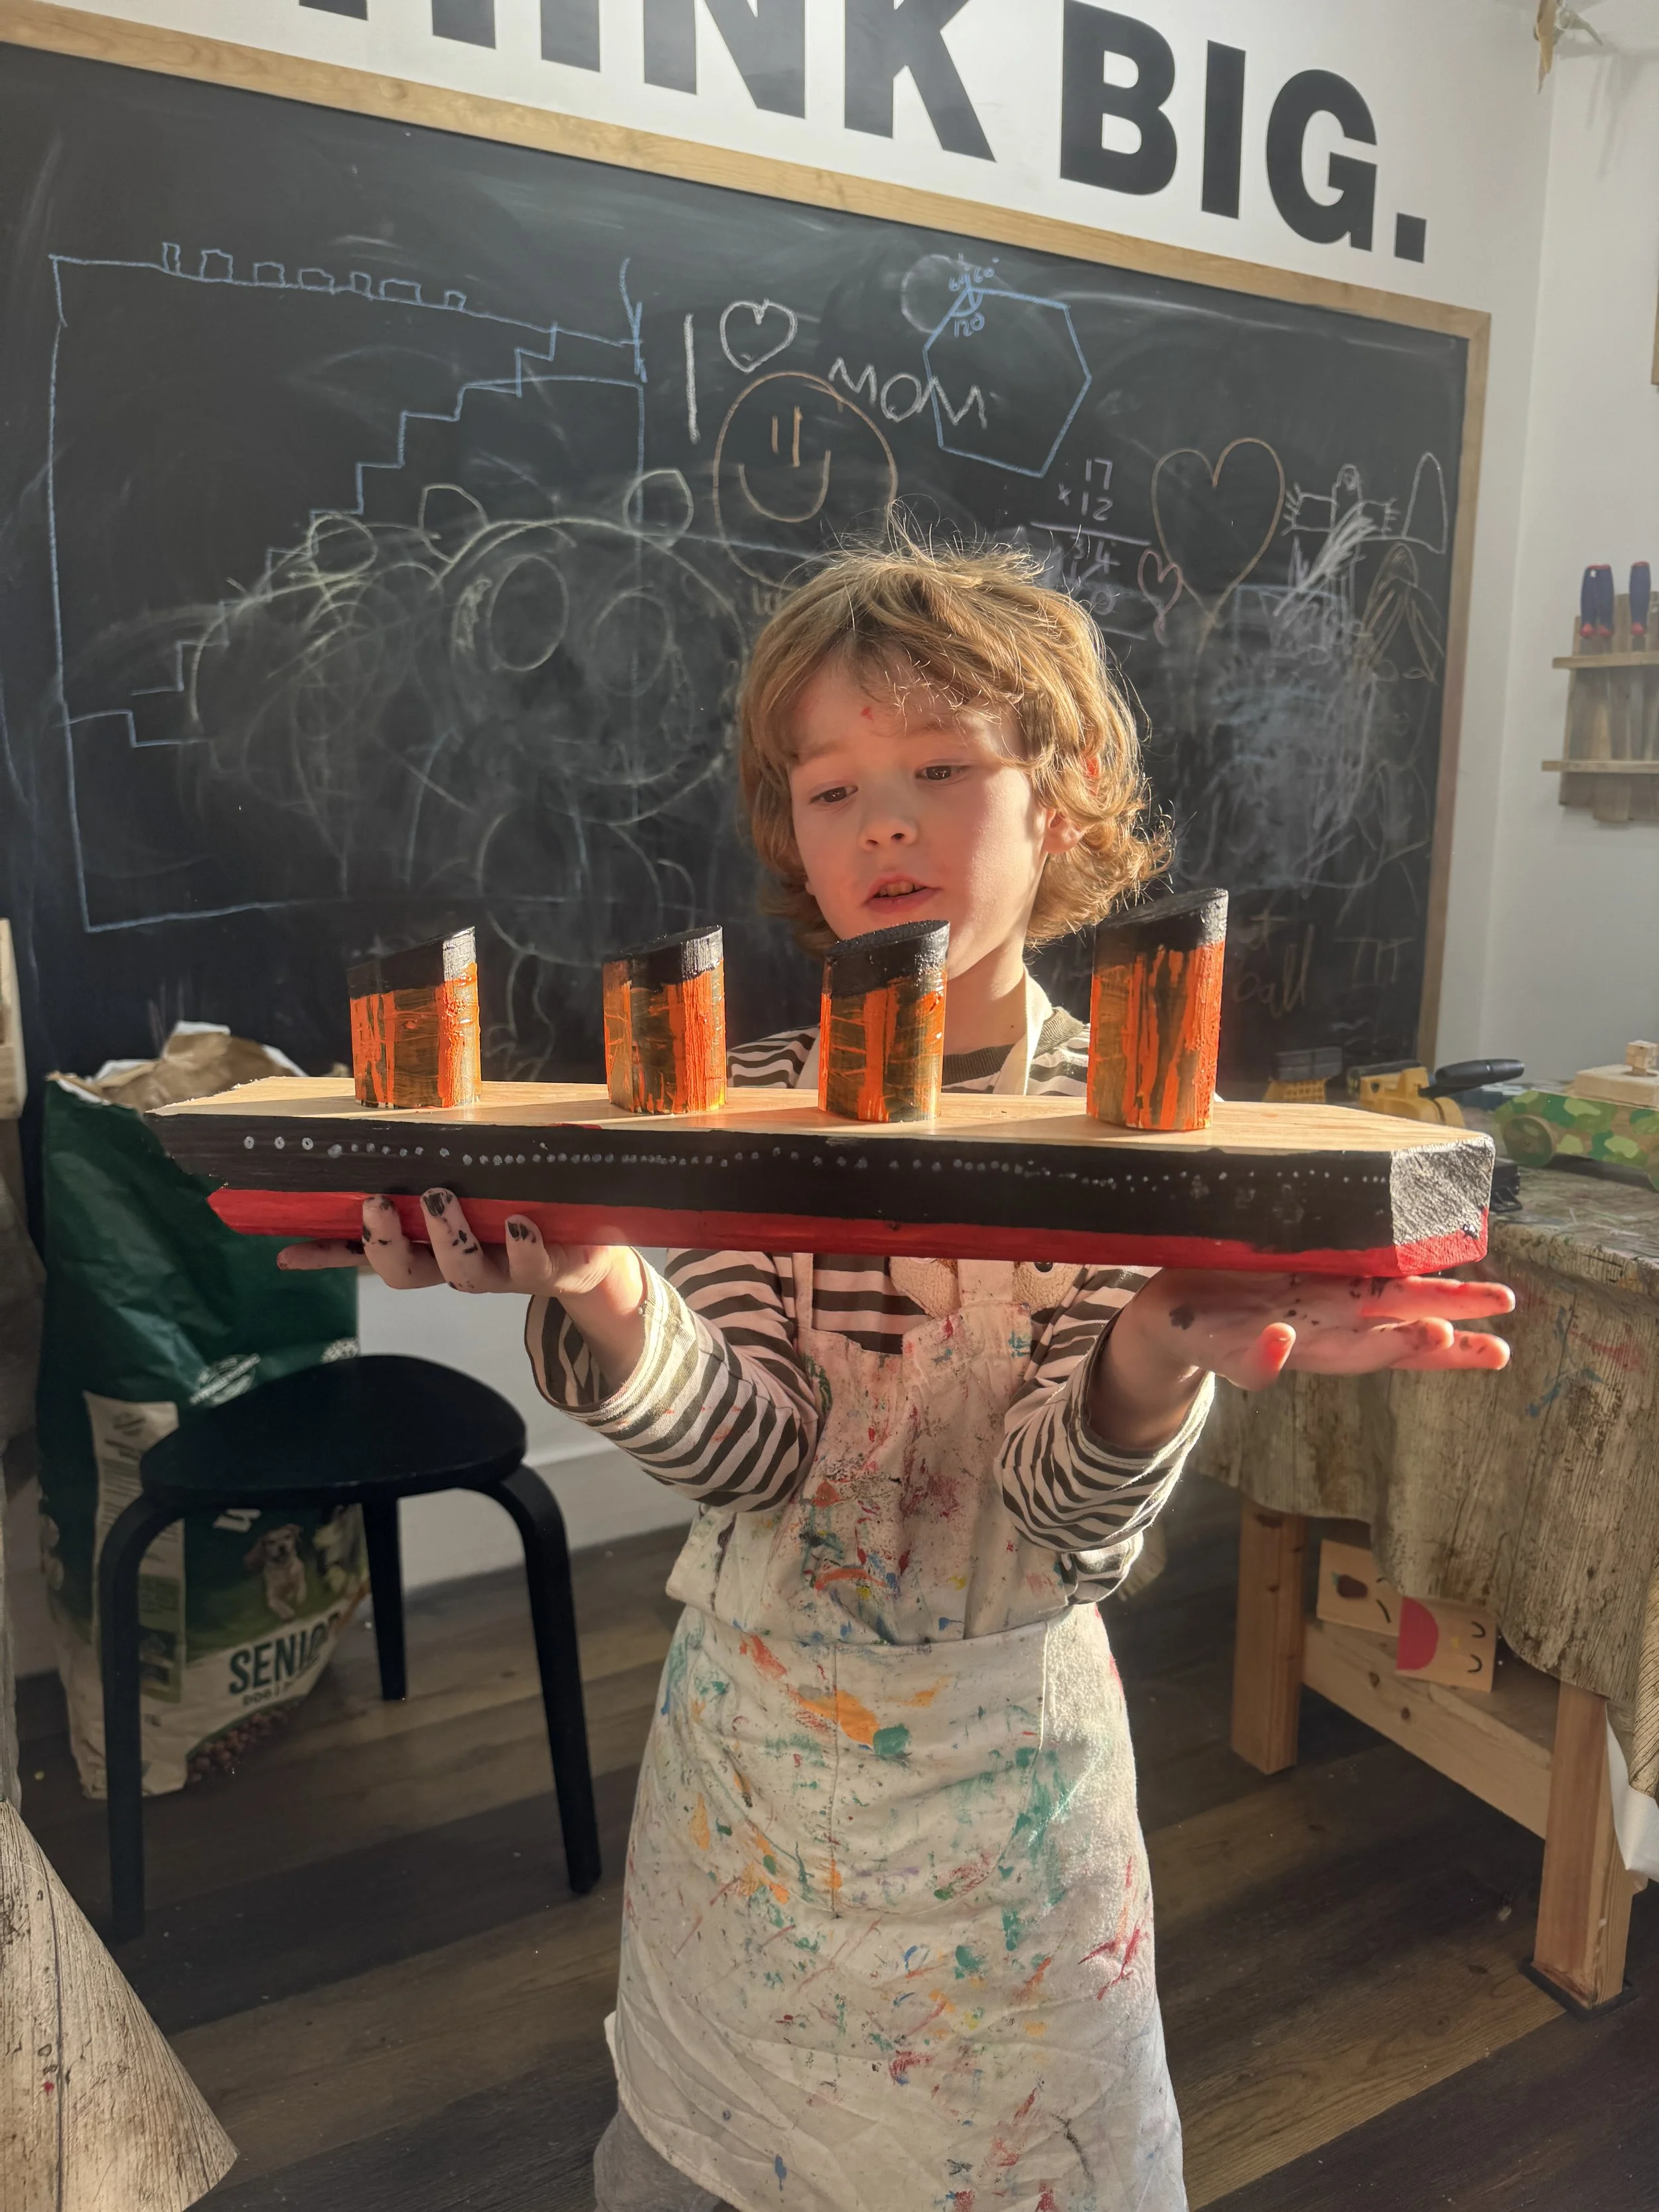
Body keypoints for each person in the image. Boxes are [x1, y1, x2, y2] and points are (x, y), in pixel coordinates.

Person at [283, 537, 1513, 2212]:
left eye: (942, 769)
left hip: (1015, 1785)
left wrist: (1152, 1350)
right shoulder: (733, 1104)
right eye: (831, 784)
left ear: (1061, 797)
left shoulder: (1131, 1129)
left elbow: (1059, 1516)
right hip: (755, 1776)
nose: (882, 821)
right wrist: (599, 1277)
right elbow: (754, 1452)